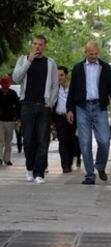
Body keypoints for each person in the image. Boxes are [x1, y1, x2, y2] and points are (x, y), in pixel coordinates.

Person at [66, 41, 111, 185]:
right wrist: (70, 109)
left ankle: (100, 166)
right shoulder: (78, 68)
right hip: (82, 108)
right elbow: (72, 91)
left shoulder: (105, 67)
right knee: (85, 143)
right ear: (85, 52)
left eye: (96, 54)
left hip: (100, 107)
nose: (94, 56)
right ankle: (90, 175)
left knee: (104, 140)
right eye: (91, 54)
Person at [12, 35, 59, 184]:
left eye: (40, 44)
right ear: (31, 45)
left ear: (45, 46)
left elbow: (55, 85)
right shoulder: (23, 59)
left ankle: (39, 173)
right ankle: (29, 168)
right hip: (27, 106)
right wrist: (28, 62)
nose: (37, 47)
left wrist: (50, 103)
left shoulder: (50, 63)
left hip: (43, 106)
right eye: (35, 44)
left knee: (43, 140)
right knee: (28, 140)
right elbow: (16, 78)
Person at [53, 66, 78, 173]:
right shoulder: (54, 87)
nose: (59, 77)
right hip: (59, 117)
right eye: (57, 75)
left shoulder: (73, 87)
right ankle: (65, 166)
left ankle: (70, 162)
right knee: (63, 141)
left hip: (72, 117)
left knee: (72, 140)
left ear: (66, 75)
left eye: (61, 75)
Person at [0, 75, 21, 166]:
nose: (5, 88)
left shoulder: (13, 93)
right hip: (0, 120)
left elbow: (18, 106)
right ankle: (0, 158)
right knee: (0, 140)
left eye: (6, 86)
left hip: (10, 120)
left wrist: (19, 118)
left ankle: (7, 159)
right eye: (4, 86)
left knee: (8, 141)